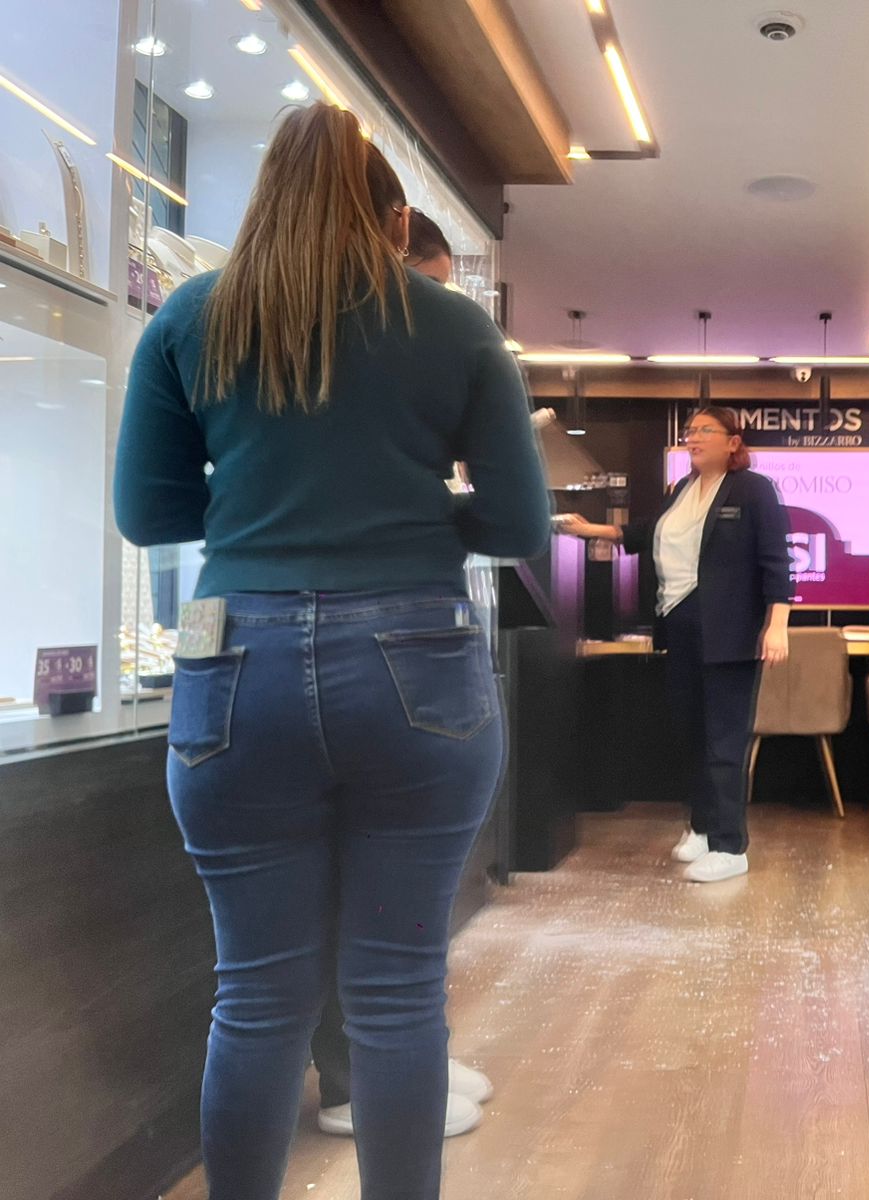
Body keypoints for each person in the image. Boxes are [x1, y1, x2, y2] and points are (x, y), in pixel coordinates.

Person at [113, 102, 549, 1200]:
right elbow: (517, 525)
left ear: (263, 201)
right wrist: (407, 514)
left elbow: (147, 510)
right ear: (395, 223)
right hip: (416, 664)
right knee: (397, 993)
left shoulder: (190, 318)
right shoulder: (452, 328)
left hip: (233, 665)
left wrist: (261, 516)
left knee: (256, 997)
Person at [307, 202, 493, 1141]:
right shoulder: (419, 344)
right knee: (365, 907)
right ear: (388, 241)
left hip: (259, 647)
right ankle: (363, 1081)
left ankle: (394, 1060)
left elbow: (157, 502)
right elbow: (514, 518)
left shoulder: (228, 324)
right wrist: (427, 512)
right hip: (387, 643)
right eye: (429, 282)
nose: (435, 305)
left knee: (344, 922)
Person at [561, 407, 792, 882]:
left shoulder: (753, 489)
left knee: (724, 739)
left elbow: (776, 560)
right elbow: (647, 532)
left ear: (733, 441)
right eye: (690, 431)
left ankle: (730, 846)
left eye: (705, 430)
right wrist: (591, 531)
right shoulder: (681, 490)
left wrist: (777, 625)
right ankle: (703, 828)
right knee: (692, 732)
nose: (693, 438)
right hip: (679, 622)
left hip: (729, 629)